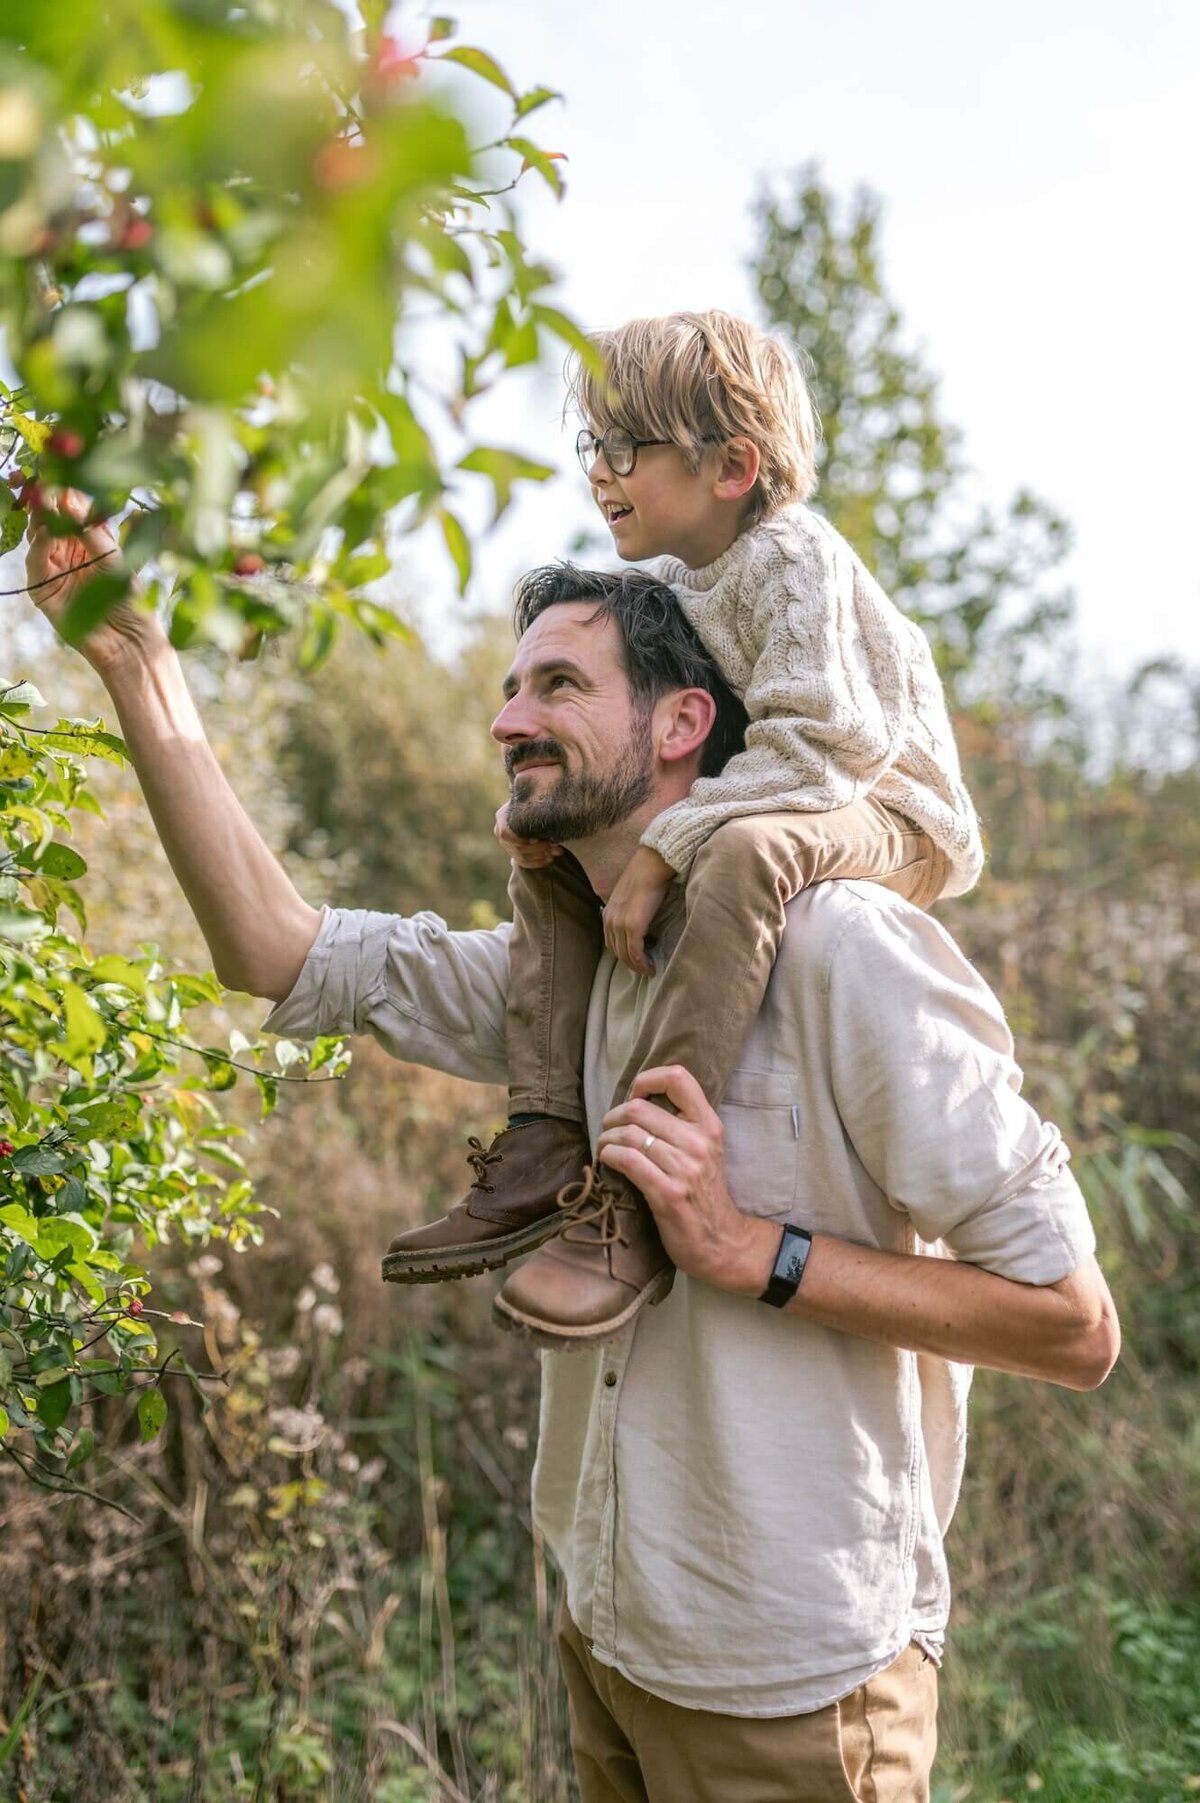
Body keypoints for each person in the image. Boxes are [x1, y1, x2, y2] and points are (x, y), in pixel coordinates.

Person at [26, 514, 1118, 1802]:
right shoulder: (574, 972)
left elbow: (1073, 1327)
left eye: (558, 684)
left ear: (679, 724)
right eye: (508, 689)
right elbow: (280, 950)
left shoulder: (848, 951)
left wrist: (749, 1252)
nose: (508, 721)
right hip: (604, 1633)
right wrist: (135, 660)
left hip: (792, 1681)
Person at [382, 311, 986, 1351]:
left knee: (749, 852)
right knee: (548, 843)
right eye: (591, 448)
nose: (599, 474)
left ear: (733, 466)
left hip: (891, 804)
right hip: (801, 778)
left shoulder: (791, 557)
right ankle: (544, 1137)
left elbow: (822, 748)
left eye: (625, 449)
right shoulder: (669, 583)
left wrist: (672, 845)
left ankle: (636, 1188)